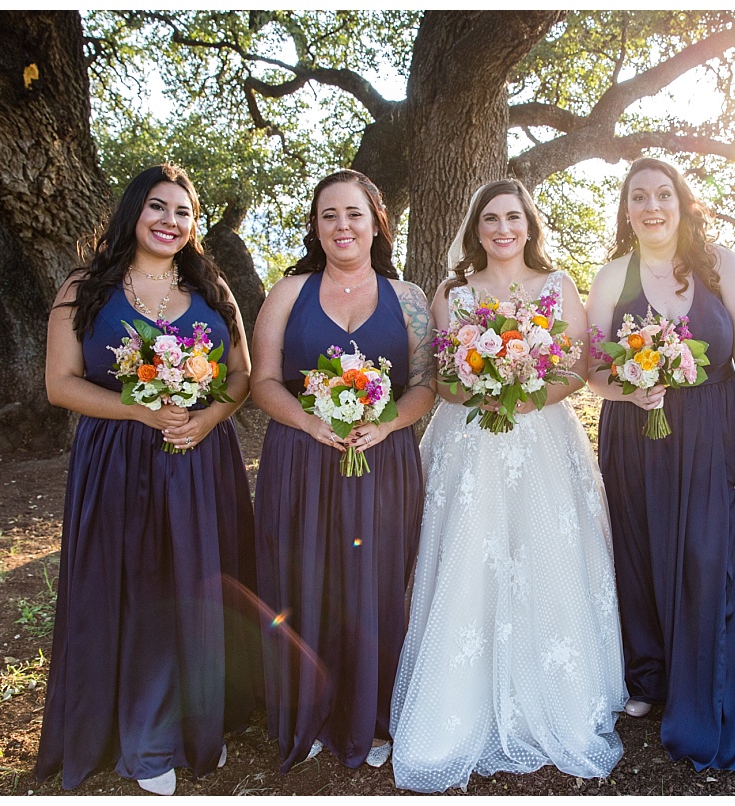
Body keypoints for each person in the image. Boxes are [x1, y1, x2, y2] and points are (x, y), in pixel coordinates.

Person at [390, 179, 626, 793]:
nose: (502, 229)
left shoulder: (558, 286)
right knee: (469, 553)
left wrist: (525, 398)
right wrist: (481, 391)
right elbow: (437, 375)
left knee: (541, 552)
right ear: (475, 227)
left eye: (513, 218)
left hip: (540, 436)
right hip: (467, 441)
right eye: (490, 218)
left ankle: (553, 696)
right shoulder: (453, 292)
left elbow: (576, 364)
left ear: (529, 225)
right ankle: (456, 699)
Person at [36, 164, 260, 795]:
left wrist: (210, 416)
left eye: (184, 212)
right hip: (119, 460)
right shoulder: (86, 286)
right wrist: (140, 409)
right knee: (136, 587)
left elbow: (240, 376)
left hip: (200, 459)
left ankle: (197, 727)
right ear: (134, 212)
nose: (171, 222)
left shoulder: (211, 287)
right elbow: (61, 385)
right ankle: (143, 740)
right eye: (158, 208)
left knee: (197, 587)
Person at [584, 157, 735, 770]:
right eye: (639, 196)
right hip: (637, 433)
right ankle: (650, 675)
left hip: (716, 431)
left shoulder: (722, 266)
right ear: (627, 208)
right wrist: (627, 388)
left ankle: (715, 679)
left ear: (682, 202)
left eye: (663, 194)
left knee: (708, 554)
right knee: (641, 546)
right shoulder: (613, 277)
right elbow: (591, 370)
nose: (652, 206)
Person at [250, 169, 435, 772]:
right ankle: (305, 713)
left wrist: (386, 425)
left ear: (377, 221)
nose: (342, 226)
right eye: (329, 214)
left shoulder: (407, 298)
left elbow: (427, 384)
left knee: (376, 586)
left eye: (354, 213)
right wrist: (308, 423)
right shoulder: (289, 291)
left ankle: (373, 716)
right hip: (302, 459)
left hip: (383, 461)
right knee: (303, 582)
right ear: (315, 225)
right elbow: (263, 381)